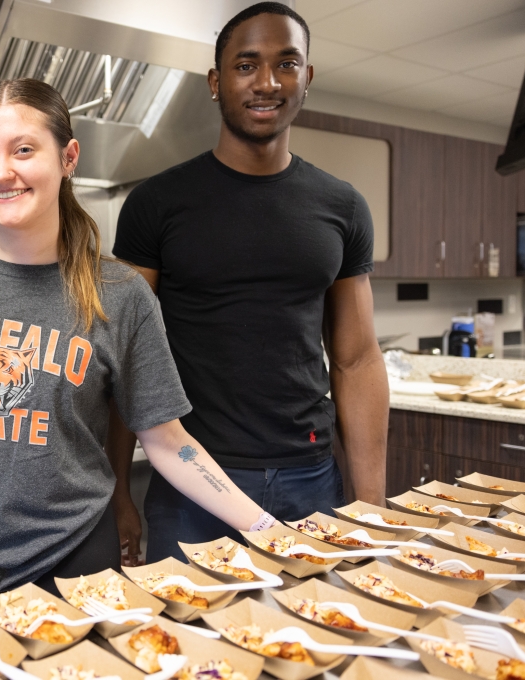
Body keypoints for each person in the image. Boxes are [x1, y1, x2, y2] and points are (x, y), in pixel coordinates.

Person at [0, 78, 276, 641]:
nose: (0, 172)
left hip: (73, 575)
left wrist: (266, 528)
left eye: (23, 149)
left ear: (68, 157)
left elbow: (168, 441)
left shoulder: (121, 294)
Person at [110, 1, 389, 565]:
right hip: (196, 483)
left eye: (286, 64)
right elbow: (122, 357)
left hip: (311, 482)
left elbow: (356, 359)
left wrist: (372, 508)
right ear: (216, 82)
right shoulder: (157, 205)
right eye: (246, 65)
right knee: (194, 652)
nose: (267, 82)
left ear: (306, 78)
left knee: (317, 643)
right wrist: (118, 493)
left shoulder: (343, 206)